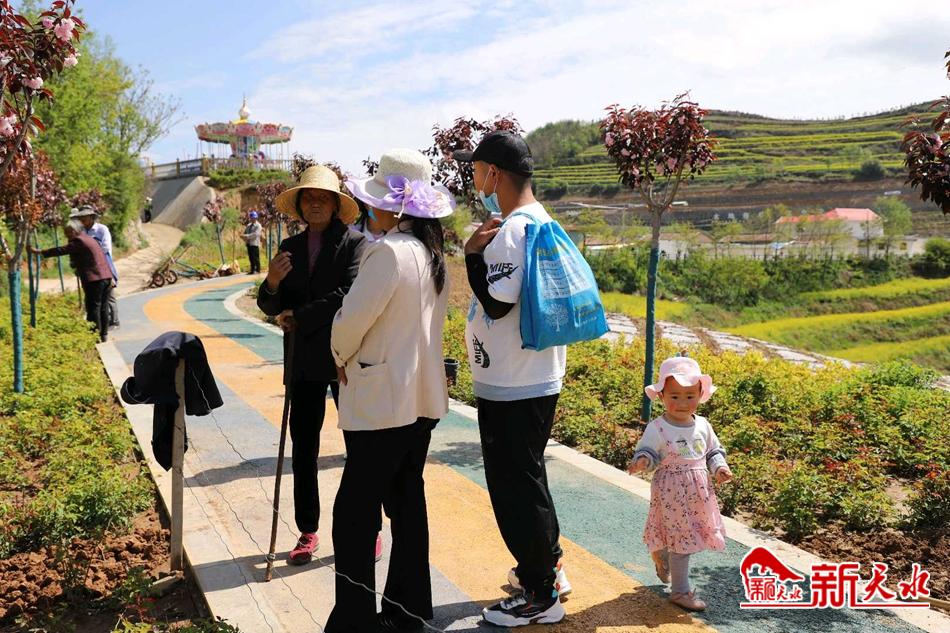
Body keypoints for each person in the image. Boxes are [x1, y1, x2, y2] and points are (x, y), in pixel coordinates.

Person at [325, 148, 455, 633]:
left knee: (354, 514)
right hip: (421, 398)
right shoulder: (432, 255)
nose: (370, 208)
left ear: (396, 208)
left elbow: (352, 320)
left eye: (378, 200)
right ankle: (408, 609)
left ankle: (354, 620)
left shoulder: (387, 253)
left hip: (382, 401)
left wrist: (339, 354)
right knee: (406, 502)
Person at [453, 131, 570, 626]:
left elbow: (498, 303)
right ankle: (548, 568)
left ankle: (539, 595)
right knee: (528, 475)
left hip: (513, 382)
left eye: (476, 170)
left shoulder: (513, 230)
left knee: (513, 486)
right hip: (535, 376)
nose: (474, 179)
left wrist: (471, 255)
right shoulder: (541, 220)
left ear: (494, 174)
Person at [256, 165, 367, 565]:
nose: (316, 203)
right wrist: (271, 281)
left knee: (360, 446)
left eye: (323, 198)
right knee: (303, 447)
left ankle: (366, 527)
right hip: (302, 359)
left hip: (344, 356)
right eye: (309, 197)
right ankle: (307, 529)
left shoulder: (355, 244)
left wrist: (299, 316)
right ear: (300, 205)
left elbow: (348, 293)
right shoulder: (290, 247)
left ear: (336, 205)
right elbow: (271, 304)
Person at [627, 356, 732, 612]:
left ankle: (661, 552)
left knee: (683, 534)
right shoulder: (658, 427)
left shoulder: (703, 425)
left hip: (698, 494)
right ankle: (680, 592)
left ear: (700, 395)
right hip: (670, 491)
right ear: (662, 396)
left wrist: (720, 468)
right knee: (683, 538)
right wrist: (642, 461)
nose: (682, 403)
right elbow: (648, 452)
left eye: (689, 396)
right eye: (674, 396)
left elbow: (713, 451)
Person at [31, 220, 113, 342]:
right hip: (105, 277)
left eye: (68, 233)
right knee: (103, 307)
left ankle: (94, 336)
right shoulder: (89, 238)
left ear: (74, 231)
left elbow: (62, 250)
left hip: (94, 279)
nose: (67, 236)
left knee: (93, 308)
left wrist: (40, 252)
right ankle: (103, 334)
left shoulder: (79, 241)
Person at [72, 206, 119, 328]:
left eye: (85, 217)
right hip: (88, 269)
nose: (82, 220)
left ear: (91, 218)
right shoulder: (80, 232)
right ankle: (97, 325)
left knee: (108, 295)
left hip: (104, 265)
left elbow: (106, 248)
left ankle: (114, 321)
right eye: (80, 218)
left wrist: (90, 252)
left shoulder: (102, 230)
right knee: (92, 298)